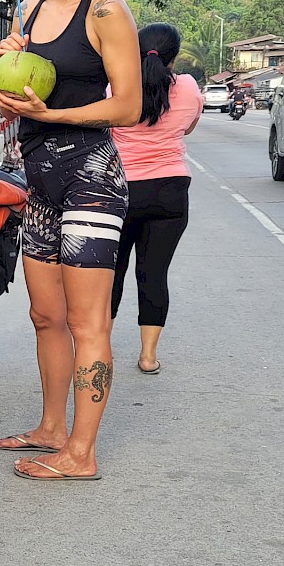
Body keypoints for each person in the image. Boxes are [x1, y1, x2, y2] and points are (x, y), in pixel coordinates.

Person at [0, 0, 141, 482]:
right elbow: (23, 96)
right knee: (45, 316)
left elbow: (127, 106)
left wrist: (52, 116)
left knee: (86, 323)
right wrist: (9, 83)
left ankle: (81, 453)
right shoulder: (27, 13)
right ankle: (52, 428)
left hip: (91, 178)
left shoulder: (106, 11)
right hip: (40, 180)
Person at [106, 23, 200, 375]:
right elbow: (188, 126)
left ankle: (100, 351)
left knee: (111, 274)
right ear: (173, 57)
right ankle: (148, 357)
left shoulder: (115, 87)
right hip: (170, 191)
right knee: (154, 274)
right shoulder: (188, 87)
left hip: (122, 190)